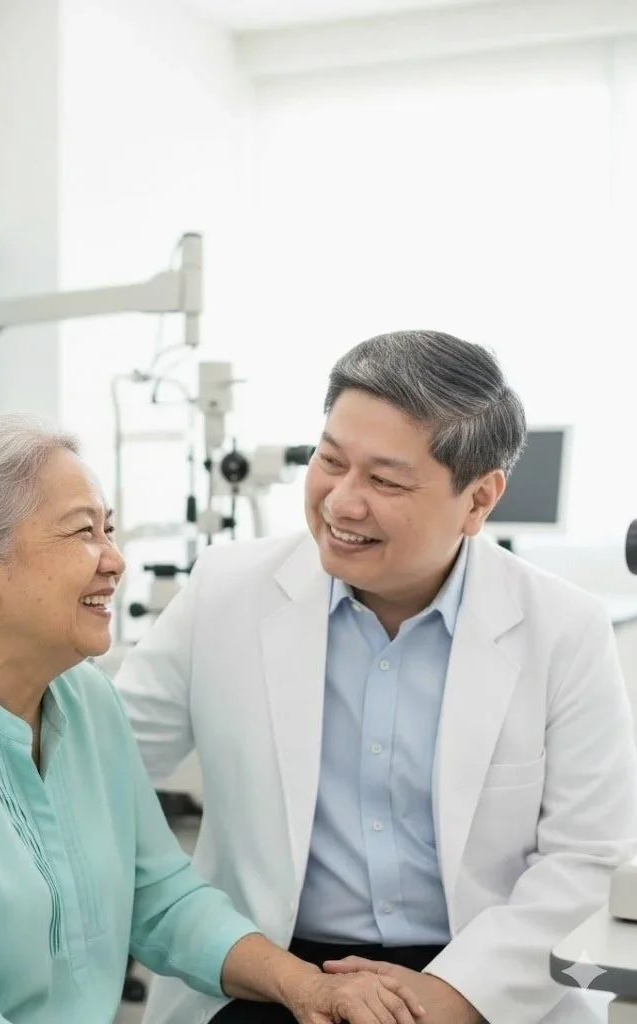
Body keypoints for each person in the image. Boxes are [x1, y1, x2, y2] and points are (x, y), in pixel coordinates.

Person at [0, 415, 428, 1024]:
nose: (114, 560)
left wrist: (308, 989)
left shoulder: (87, 701)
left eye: (109, 529)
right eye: (82, 532)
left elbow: (160, 898)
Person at [114, 329, 637, 1024]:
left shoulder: (564, 627)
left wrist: (448, 997)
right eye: (330, 461)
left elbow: (588, 858)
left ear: (479, 499)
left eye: (384, 481)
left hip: (483, 980)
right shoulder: (226, 592)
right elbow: (100, 767)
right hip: (274, 975)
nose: (341, 503)